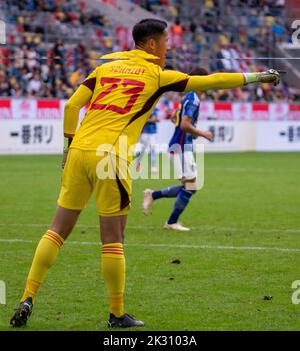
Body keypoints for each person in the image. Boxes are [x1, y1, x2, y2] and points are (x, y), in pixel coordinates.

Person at [10, 18, 280, 329]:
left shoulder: (103, 69)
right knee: (113, 239)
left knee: (56, 230)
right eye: (166, 41)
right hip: (111, 157)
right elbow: (212, 81)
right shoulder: (157, 75)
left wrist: (68, 145)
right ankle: (116, 314)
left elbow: (71, 106)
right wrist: (256, 76)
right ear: (151, 44)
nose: (169, 47)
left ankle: (28, 295)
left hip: (79, 151)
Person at [142, 67, 212, 231]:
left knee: (190, 187)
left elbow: (175, 117)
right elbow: (183, 123)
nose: (210, 82)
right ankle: (171, 221)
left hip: (181, 146)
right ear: (200, 82)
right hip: (181, 148)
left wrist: (189, 131)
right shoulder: (193, 99)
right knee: (191, 187)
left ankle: (153, 195)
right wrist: (202, 133)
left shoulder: (189, 97)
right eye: (207, 79)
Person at [135, 107, 159, 173]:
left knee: (152, 150)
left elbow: (155, 119)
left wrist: (149, 119)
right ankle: (137, 165)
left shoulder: (155, 108)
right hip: (144, 133)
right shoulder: (144, 107)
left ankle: (153, 167)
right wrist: (150, 119)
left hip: (153, 133)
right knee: (142, 151)